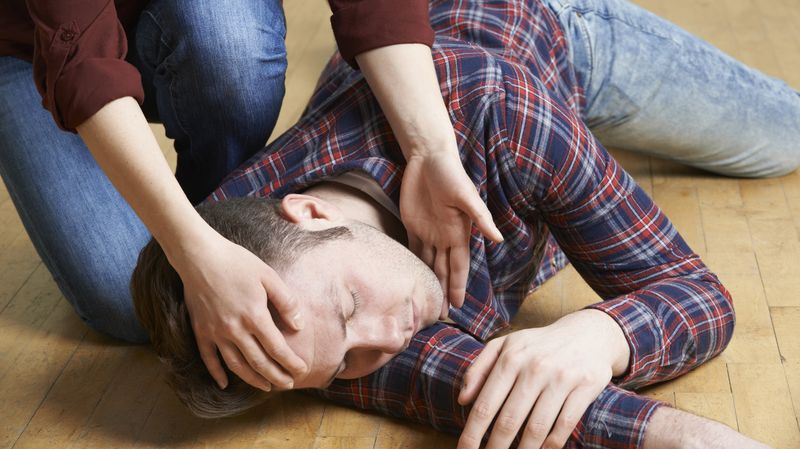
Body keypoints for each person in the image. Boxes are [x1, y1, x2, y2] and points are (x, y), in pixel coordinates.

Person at [130, 0, 799, 447]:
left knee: (786, 136)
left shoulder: (496, 114)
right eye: (347, 362)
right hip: (485, 101)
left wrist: (600, 334)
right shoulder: (293, 314)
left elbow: (696, 292)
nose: (390, 337)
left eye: (352, 304)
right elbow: (478, 389)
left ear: (311, 211)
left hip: (547, 34)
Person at [0, 0, 502, 395]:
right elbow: (82, 60)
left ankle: (224, 228)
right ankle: (211, 253)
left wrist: (430, 149)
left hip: (194, 13)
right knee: (123, 295)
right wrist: (189, 249)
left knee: (231, 48)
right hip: (29, 45)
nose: (392, 340)